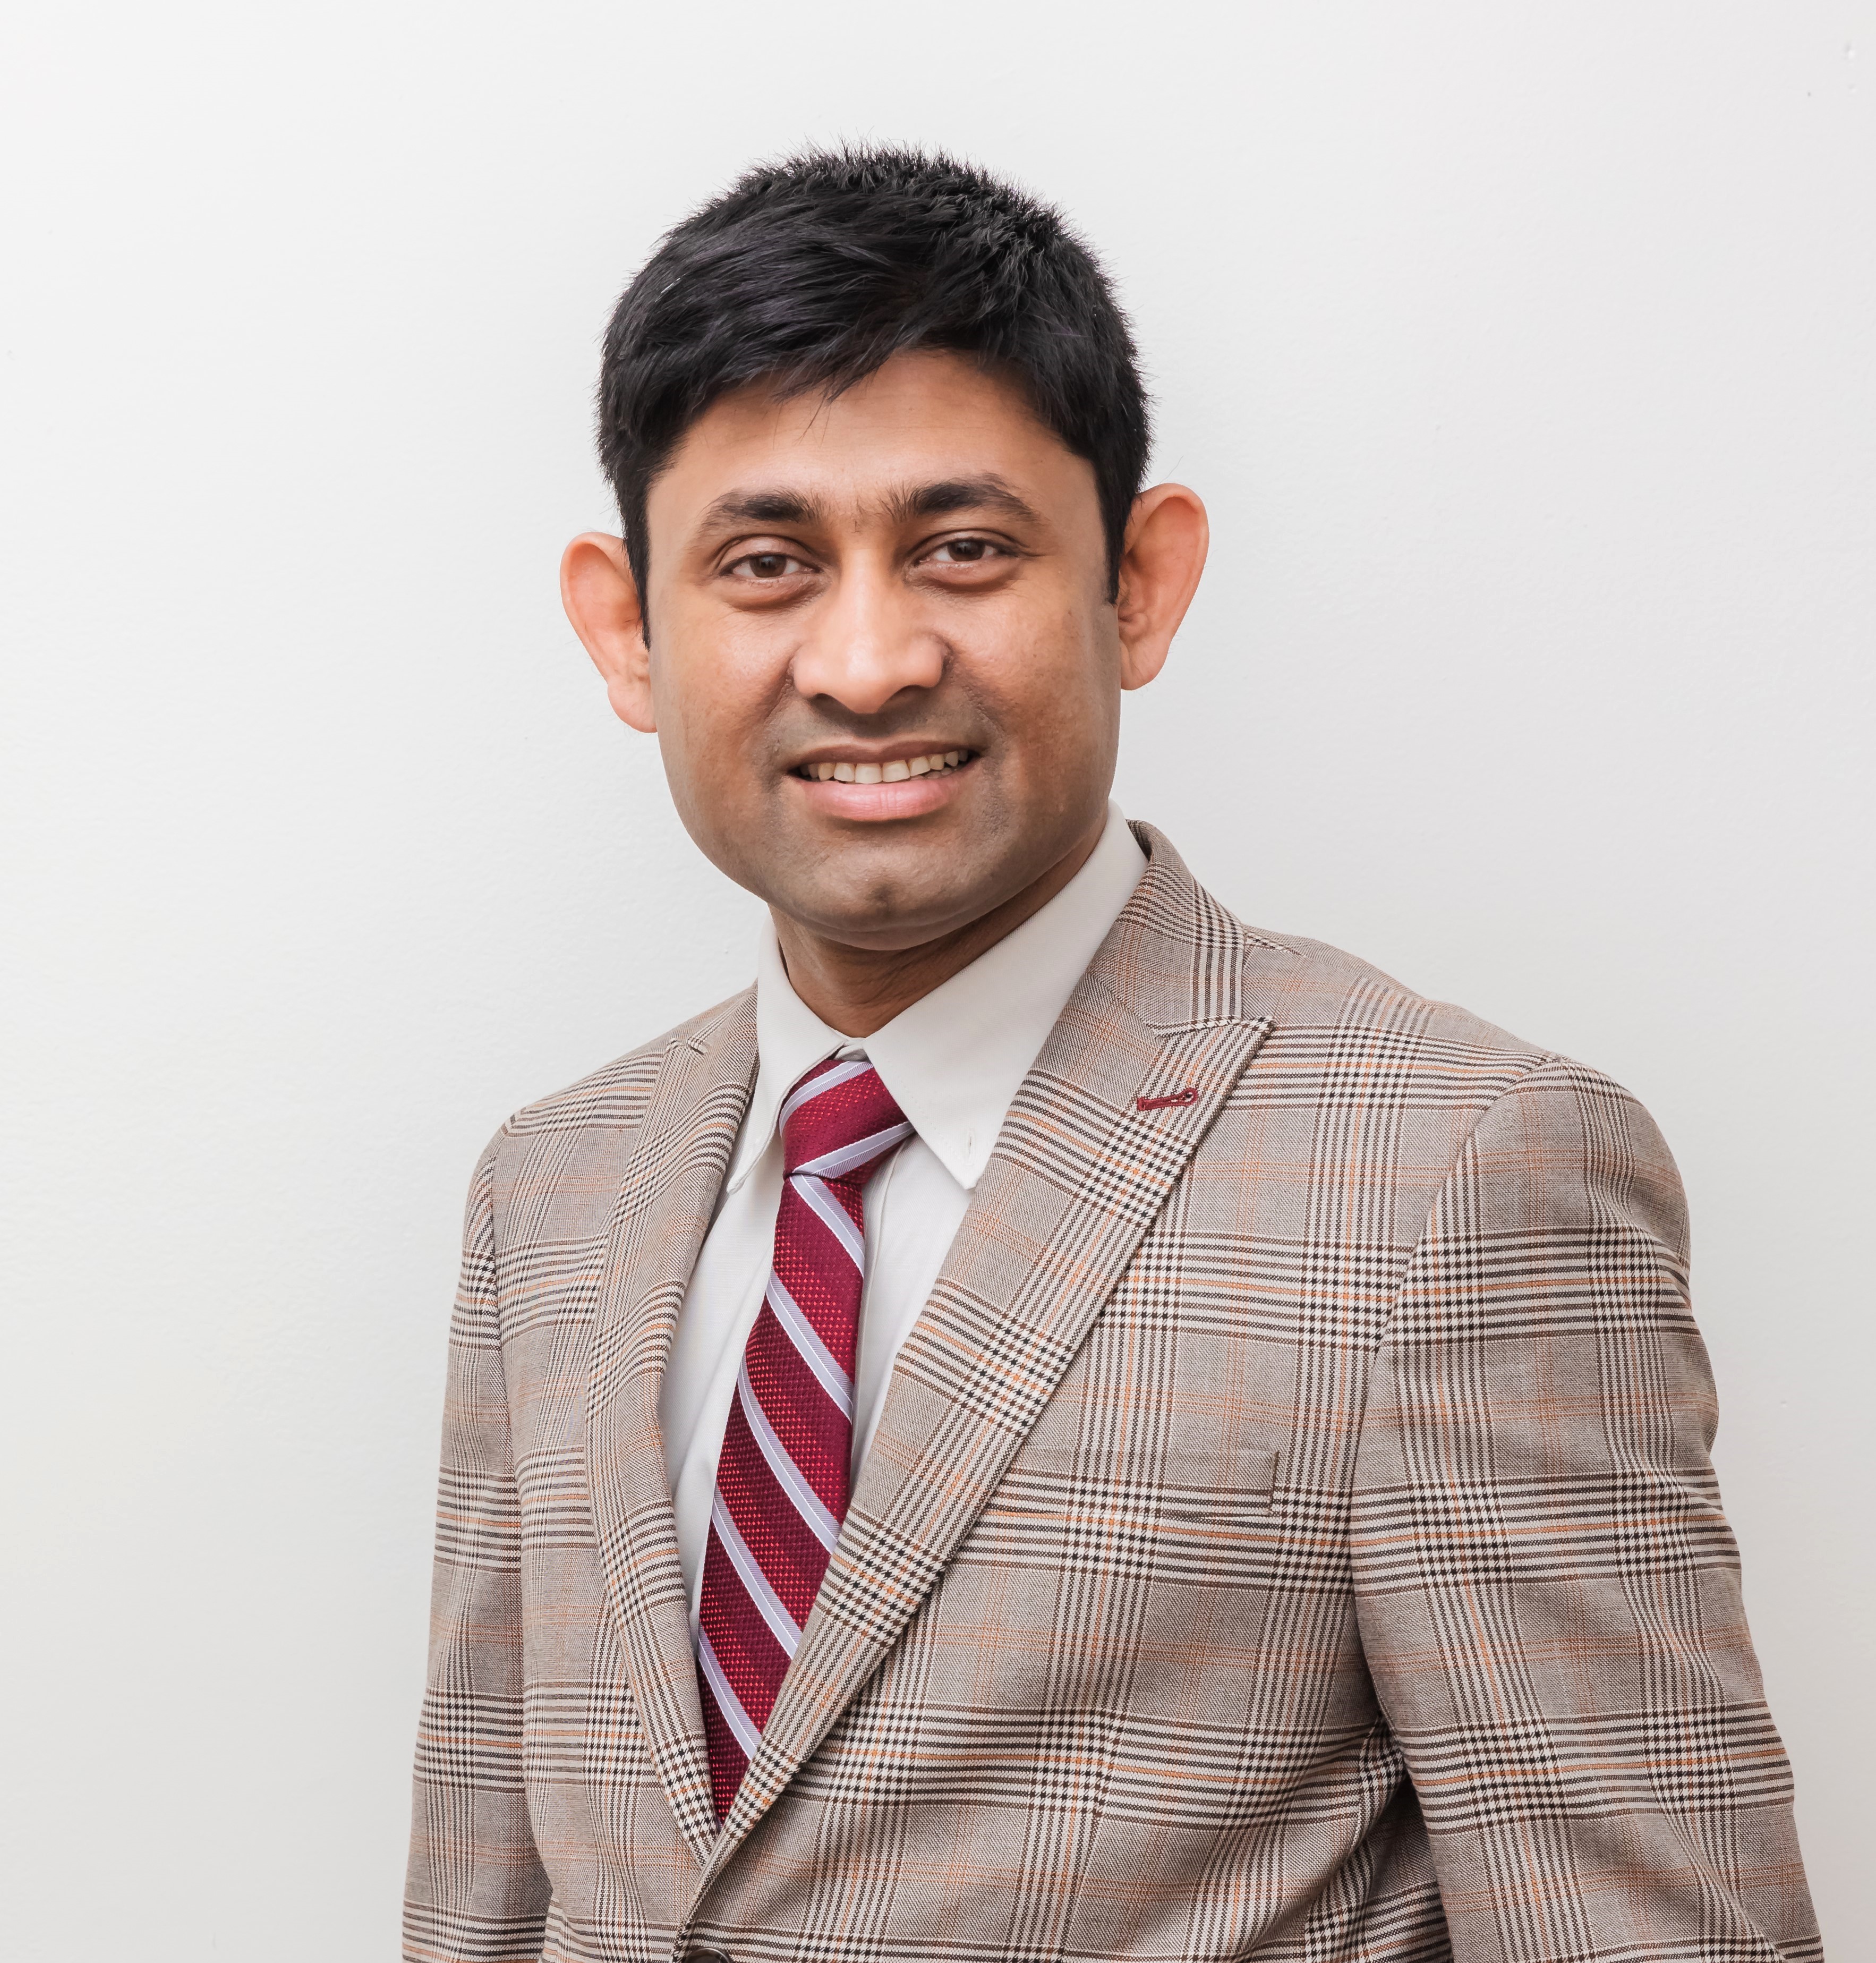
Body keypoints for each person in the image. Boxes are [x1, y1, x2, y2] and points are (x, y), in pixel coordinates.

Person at [403, 148, 1818, 1963]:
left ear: (1138, 583)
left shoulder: (1461, 1172)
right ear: (629, 628)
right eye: (765, 564)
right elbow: (487, 1899)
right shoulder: (554, 1189)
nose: (865, 660)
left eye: (962, 549)